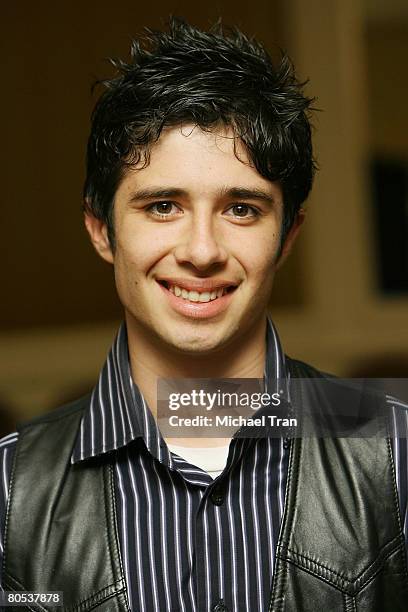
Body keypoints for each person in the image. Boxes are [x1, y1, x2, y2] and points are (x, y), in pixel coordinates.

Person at [0, 17, 407, 612]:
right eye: (162, 206)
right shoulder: (10, 492)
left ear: (287, 236)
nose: (201, 250)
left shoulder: (394, 455)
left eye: (241, 209)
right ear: (101, 229)